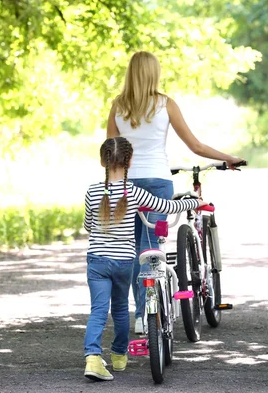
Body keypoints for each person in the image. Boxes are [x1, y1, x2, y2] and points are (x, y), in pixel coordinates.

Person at [106, 51, 244, 334]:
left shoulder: (118, 106)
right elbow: (195, 146)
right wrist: (227, 157)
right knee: (152, 248)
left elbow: (110, 151)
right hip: (157, 183)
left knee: (134, 250)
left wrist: (108, 188)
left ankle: (141, 315)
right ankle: (152, 310)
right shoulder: (165, 104)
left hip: (126, 185)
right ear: (154, 73)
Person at [83, 137, 206, 381]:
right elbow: (166, 207)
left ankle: (93, 358)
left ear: (102, 161)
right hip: (123, 262)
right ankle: (119, 355)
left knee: (98, 310)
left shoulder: (92, 192)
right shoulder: (136, 193)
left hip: (96, 260)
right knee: (119, 309)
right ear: (129, 162)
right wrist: (197, 201)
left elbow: (88, 225)